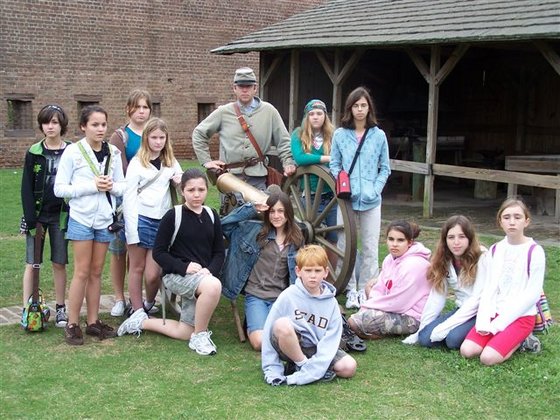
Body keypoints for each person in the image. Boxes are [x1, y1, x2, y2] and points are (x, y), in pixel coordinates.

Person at [117, 169, 224, 356]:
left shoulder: (211, 215)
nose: (196, 194)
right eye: (191, 190)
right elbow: (159, 253)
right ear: (182, 191)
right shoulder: (173, 215)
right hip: (176, 276)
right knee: (214, 286)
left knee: (185, 331)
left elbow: (219, 252)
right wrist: (184, 267)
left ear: (207, 190)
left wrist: (209, 270)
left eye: (201, 190)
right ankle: (200, 336)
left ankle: (141, 321)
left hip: (203, 277)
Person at [54, 105, 125, 345]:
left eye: (103, 124)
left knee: (96, 272)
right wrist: (91, 186)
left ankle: (93, 322)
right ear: (83, 127)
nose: (100, 129)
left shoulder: (113, 152)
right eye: (95, 125)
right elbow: (60, 189)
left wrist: (111, 187)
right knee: (82, 272)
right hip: (81, 218)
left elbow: (122, 185)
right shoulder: (73, 152)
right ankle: (72, 323)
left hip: (104, 220)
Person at [460, 198, 545, 366]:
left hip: (521, 316)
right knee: (467, 351)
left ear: (526, 221)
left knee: (488, 358)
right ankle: (500, 338)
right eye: (506, 217)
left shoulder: (535, 251)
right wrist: (484, 320)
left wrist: (498, 325)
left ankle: (523, 340)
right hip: (495, 311)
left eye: (517, 217)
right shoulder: (495, 249)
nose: (512, 222)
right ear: (500, 221)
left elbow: (532, 294)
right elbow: (488, 287)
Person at [221, 187, 304, 351]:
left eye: (281, 211)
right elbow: (224, 225)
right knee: (259, 342)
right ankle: (259, 328)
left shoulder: (296, 238)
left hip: (280, 299)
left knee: (283, 334)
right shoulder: (255, 231)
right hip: (256, 296)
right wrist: (251, 209)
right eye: (272, 211)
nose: (276, 216)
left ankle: (262, 329)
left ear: (288, 213)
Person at [330, 86, 391, 310]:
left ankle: (367, 289)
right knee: (345, 245)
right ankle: (350, 289)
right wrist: (343, 181)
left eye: (363, 105)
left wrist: (376, 189)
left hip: (371, 200)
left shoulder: (378, 135)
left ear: (369, 108)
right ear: (350, 108)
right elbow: (334, 163)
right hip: (347, 199)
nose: (360, 109)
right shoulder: (340, 135)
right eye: (356, 105)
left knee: (370, 246)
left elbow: (385, 167)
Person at [261, 244, 357, 386]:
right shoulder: (288, 295)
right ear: (298, 271)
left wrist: (314, 369)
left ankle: (303, 368)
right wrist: (272, 369)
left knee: (349, 367)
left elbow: (330, 342)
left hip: (316, 349)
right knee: (282, 324)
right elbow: (268, 330)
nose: (313, 275)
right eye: (308, 270)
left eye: (317, 271)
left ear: (325, 272)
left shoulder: (331, 303)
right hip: (290, 346)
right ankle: (300, 364)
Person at [192, 67, 296, 191]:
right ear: (234, 88)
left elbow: (283, 141)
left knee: (260, 203)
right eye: (241, 86)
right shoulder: (223, 112)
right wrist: (206, 161)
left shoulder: (270, 111)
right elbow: (199, 133)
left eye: (248, 86)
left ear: (255, 88)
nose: (245, 90)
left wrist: (288, 162)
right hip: (229, 178)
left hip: (258, 177)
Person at [123, 118, 182, 317]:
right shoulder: (137, 163)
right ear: (146, 138)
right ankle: (137, 310)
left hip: (162, 221)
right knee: (136, 267)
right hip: (140, 219)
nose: (158, 142)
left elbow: (182, 182)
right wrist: (131, 230)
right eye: (154, 137)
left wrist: (179, 180)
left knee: (153, 273)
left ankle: (148, 302)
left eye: (161, 138)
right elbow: (129, 197)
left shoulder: (170, 161)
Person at [402, 215, 487, 349]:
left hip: (481, 311)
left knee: (453, 340)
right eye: (451, 237)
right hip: (461, 309)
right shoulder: (444, 260)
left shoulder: (482, 256)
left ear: (469, 238)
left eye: (461, 237)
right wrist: (421, 330)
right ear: (445, 240)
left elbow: (477, 299)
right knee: (425, 338)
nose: (456, 242)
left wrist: (446, 326)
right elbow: (437, 297)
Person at [20, 104, 71, 327]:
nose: (50, 126)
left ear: (62, 125)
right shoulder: (34, 152)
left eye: (54, 122)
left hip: (61, 215)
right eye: (46, 122)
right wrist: (31, 218)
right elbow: (26, 187)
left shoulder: (72, 150)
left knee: (59, 262)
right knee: (32, 263)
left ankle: (60, 308)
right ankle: (28, 309)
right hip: (38, 217)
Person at [108, 89, 152, 317]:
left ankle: (141, 297)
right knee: (119, 251)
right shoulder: (120, 136)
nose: (141, 112)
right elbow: (120, 170)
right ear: (129, 109)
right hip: (124, 199)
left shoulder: (154, 133)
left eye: (146, 107)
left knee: (141, 252)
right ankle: (118, 297)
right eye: (137, 107)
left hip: (150, 201)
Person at [347, 220, 431, 339]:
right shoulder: (389, 259)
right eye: (391, 239)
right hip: (394, 307)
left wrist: (369, 305)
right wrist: (370, 304)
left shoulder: (414, 265)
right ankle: (373, 327)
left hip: (413, 316)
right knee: (369, 286)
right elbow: (380, 288)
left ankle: (374, 332)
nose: (394, 244)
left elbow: (399, 302)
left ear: (410, 243)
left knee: (353, 323)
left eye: (400, 240)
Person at [290, 99, 337, 262]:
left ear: (325, 116)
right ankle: (309, 270)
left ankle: (330, 276)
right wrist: (327, 158)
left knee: (333, 240)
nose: (315, 117)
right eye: (311, 114)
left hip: (332, 196)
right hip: (311, 197)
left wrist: (312, 157)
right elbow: (300, 158)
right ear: (306, 117)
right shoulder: (298, 134)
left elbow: (340, 158)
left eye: (319, 113)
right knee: (311, 240)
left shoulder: (333, 135)